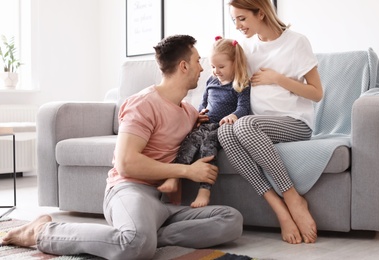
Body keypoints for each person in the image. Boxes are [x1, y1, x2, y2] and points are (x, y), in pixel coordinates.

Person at [1, 35, 243, 260]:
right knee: (135, 246)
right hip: (131, 190)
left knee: (231, 220)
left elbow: (202, 128)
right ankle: (43, 231)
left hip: (164, 204)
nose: (202, 68)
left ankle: (145, 235)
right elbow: (126, 163)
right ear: (183, 66)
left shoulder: (189, 112)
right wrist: (187, 172)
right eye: (196, 61)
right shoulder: (143, 104)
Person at [218, 0, 323, 244]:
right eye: (234, 20)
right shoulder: (245, 47)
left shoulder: (296, 42)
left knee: (245, 125)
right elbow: (230, 85)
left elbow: (317, 93)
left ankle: (292, 197)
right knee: (225, 132)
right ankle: (278, 207)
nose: (237, 26)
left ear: (261, 13)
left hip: (295, 122)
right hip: (256, 125)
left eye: (242, 18)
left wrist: (278, 78)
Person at [158, 36, 251, 208]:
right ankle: (174, 177)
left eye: (221, 67)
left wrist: (233, 116)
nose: (216, 71)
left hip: (223, 127)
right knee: (189, 141)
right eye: (213, 66)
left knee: (208, 145)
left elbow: (243, 108)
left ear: (235, 63)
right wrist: (198, 113)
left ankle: (205, 190)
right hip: (206, 123)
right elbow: (203, 103)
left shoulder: (241, 83)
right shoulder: (211, 81)